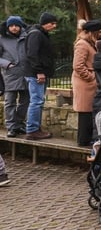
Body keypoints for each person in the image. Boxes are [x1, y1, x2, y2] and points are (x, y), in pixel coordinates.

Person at [23, 12, 59, 140]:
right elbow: (32, 54)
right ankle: (32, 130)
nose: (54, 26)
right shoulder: (36, 34)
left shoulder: (40, 34)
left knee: (38, 101)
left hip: (38, 72)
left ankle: (35, 128)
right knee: (36, 101)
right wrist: (39, 71)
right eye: (52, 23)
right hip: (35, 74)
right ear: (45, 23)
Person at [72, 19, 101, 146]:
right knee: (85, 112)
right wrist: (91, 77)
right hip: (85, 84)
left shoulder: (90, 43)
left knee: (89, 111)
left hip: (89, 83)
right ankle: (83, 140)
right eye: (99, 31)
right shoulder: (82, 44)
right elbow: (78, 65)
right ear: (93, 32)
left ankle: (87, 139)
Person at [0, 16, 29, 137]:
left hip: (26, 73)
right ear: (8, 27)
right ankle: (11, 127)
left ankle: (19, 124)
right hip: (10, 74)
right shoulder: (1, 39)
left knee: (25, 101)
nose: (14, 28)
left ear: (20, 26)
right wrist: (7, 64)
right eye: (11, 25)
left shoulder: (27, 36)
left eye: (16, 25)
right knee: (10, 102)